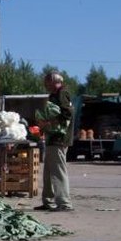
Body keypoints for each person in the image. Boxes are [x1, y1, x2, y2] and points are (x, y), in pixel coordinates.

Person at [36, 72, 74, 211]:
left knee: (58, 171)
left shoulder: (62, 93)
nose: (45, 85)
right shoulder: (53, 95)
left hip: (59, 139)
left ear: (53, 81)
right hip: (52, 138)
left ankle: (64, 203)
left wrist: (50, 122)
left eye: (46, 82)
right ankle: (48, 201)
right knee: (48, 172)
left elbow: (67, 113)